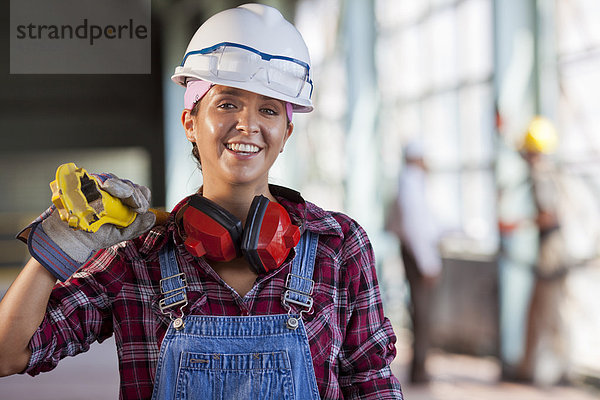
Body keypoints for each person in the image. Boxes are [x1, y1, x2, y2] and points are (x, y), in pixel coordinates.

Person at [0, 4, 403, 399]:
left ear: (286, 133)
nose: (248, 124)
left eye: (268, 109)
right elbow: (8, 354)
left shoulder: (337, 244)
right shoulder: (138, 255)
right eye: (228, 103)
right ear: (190, 122)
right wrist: (60, 243)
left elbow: (373, 385)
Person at [513, 116, 571, 385]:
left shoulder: (540, 173)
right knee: (545, 309)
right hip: (553, 247)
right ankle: (535, 369)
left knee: (547, 311)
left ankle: (548, 372)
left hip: (551, 250)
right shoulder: (548, 168)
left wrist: (516, 224)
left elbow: (549, 216)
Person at [387, 140, 442, 384]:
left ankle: (420, 368)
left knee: (421, 312)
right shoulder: (411, 182)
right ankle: (420, 370)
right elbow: (416, 228)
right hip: (417, 256)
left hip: (414, 254)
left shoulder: (411, 182)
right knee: (422, 313)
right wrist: (428, 264)